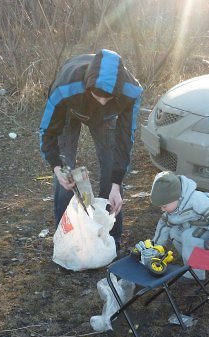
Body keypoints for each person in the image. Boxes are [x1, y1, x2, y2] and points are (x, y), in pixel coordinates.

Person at [39, 49, 143, 253]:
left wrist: (116, 182)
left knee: (110, 164)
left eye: (108, 98)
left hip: (105, 119)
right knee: (66, 172)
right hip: (71, 108)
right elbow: (48, 131)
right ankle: (65, 237)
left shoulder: (130, 92)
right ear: (88, 87)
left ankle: (110, 235)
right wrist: (56, 167)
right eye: (98, 96)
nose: (102, 102)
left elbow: (124, 140)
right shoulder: (65, 87)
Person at [149, 171, 209, 280]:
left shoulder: (197, 200)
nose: (162, 210)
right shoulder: (172, 207)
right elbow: (163, 226)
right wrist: (157, 247)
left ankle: (196, 274)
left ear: (176, 197)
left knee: (188, 236)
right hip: (194, 227)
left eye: (164, 206)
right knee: (174, 232)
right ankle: (192, 261)